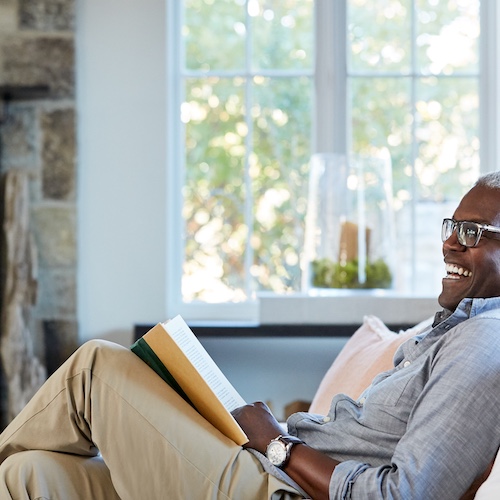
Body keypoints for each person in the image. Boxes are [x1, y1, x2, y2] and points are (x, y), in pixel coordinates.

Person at [2, 173, 500, 500]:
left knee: (98, 368)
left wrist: (279, 444)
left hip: (279, 488)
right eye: (452, 226)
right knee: (27, 476)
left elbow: (405, 497)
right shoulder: (455, 330)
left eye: (473, 233)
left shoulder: (481, 344)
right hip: (265, 469)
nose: (451, 242)